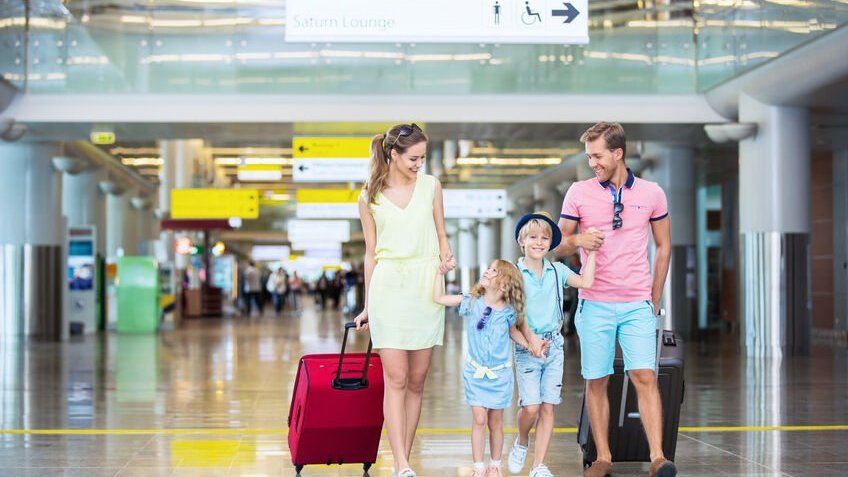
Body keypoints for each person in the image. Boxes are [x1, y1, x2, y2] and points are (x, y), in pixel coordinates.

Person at [556, 122, 674, 477]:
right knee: (597, 379)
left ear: (618, 153)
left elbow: (664, 245)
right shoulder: (578, 192)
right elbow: (558, 243)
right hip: (594, 303)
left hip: (637, 302)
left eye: (597, 155)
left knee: (645, 376)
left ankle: (657, 457)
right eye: (589, 155)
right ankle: (603, 457)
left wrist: (653, 298)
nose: (592, 162)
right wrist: (579, 241)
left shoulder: (653, 193)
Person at [354, 123, 456, 477]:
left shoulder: (431, 186)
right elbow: (370, 254)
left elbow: (442, 233)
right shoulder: (369, 196)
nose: (419, 164)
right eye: (414, 158)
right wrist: (368, 304)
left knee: (418, 378)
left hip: (425, 286)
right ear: (393, 154)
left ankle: (405, 458)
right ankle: (400, 464)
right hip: (389, 288)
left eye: (423, 158)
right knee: (395, 378)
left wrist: (446, 255)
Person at [508, 211, 596, 477]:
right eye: (533, 237)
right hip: (526, 346)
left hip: (554, 346)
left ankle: (538, 465)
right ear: (521, 241)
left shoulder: (557, 270)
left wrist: (589, 252)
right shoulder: (514, 273)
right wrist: (528, 344)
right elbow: (510, 322)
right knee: (531, 407)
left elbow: (586, 282)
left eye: (545, 238)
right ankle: (522, 441)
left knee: (547, 406)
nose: (539, 242)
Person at [433, 259, 527, 477]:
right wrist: (440, 273)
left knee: (496, 422)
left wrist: (529, 345)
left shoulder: (509, 312)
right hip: (475, 374)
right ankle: (477, 467)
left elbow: (513, 332)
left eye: (494, 271)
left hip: (500, 375)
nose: (487, 271)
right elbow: (438, 298)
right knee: (479, 418)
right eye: (490, 267)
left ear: (504, 285)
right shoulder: (472, 301)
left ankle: (494, 465)